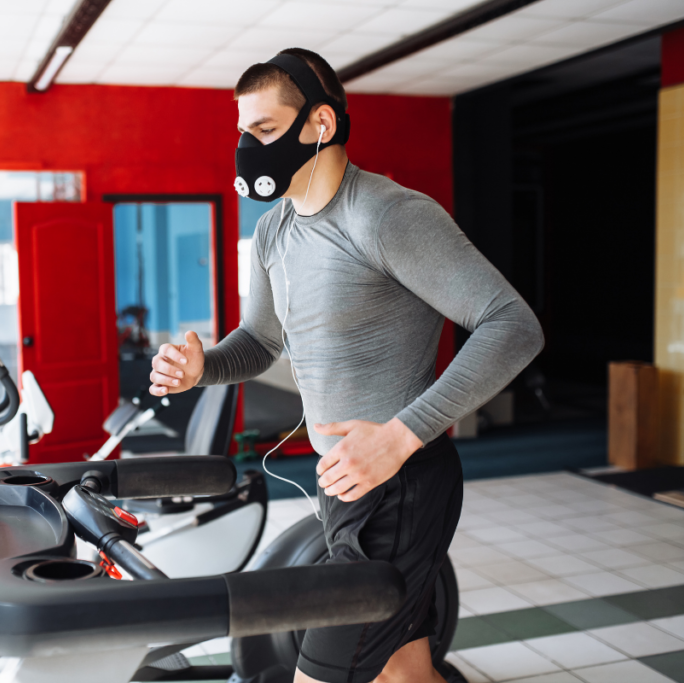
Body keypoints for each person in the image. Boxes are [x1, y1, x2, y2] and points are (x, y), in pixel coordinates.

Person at [148, 48, 543, 683]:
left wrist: (398, 438)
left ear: (321, 124)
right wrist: (204, 368)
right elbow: (260, 340)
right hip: (342, 481)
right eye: (243, 132)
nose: (249, 147)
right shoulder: (274, 231)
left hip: (401, 485)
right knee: (403, 671)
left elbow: (513, 326)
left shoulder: (387, 215)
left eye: (267, 130)